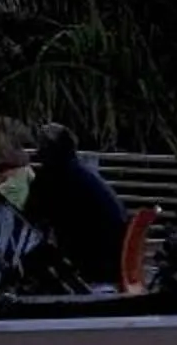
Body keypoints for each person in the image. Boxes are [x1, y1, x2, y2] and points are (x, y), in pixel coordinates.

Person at [17, 123, 128, 291]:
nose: (37, 151)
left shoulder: (55, 176)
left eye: (40, 146)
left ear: (48, 149)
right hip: (113, 256)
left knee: (32, 259)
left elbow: (29, 216)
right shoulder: (79, 171)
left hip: (95, 260)